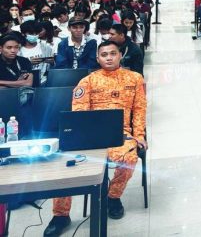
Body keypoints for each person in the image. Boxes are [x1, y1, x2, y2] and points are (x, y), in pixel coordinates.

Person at [44, 40, 147, 236]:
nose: (109, 57)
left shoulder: (135, 78)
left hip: (121, 135)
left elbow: (140, 109)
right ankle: (60, 215)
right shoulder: (88, 81)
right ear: (98, 58)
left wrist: (139, 135)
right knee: (65, 164)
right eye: (104, 54)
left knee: (129, 159)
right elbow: (79, 113)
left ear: (120, 55)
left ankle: (113, 197)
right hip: (90, 136)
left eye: (113, 53)